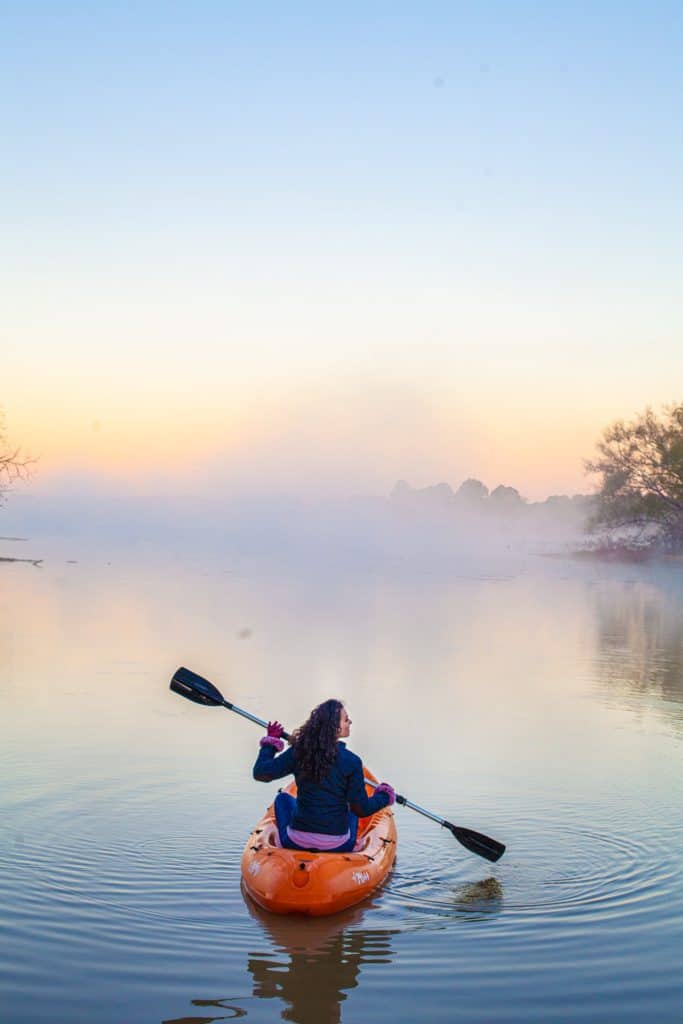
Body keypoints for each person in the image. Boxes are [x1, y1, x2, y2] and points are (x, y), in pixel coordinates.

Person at [253, 698, 395, 853]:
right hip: (338, 844)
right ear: (335, 728)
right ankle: (352, 847)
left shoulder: (299, 752)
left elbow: (261, 773)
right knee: (352, 808)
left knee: (283, 799)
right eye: (346, 720)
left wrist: (270, 743)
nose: (350, 722)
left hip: (295, 841)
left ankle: (286, 842)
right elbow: (361, 810)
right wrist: (384, 796)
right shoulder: (352, 762)